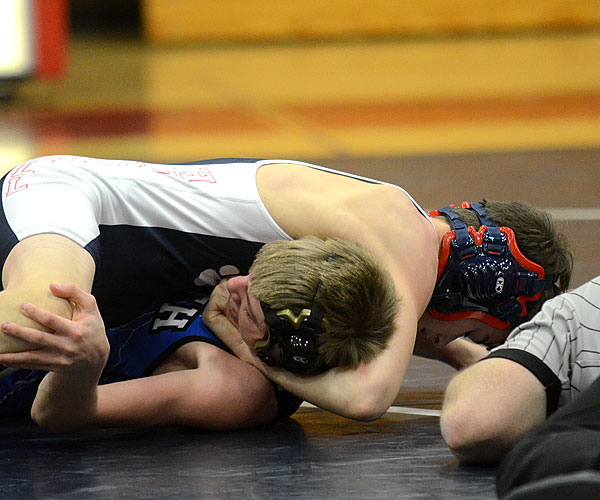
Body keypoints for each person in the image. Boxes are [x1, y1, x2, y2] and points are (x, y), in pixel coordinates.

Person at [0, 155, 572, 422]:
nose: (443, 337)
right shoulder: (409, 243)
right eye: (476, 331)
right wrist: (248, 349)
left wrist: (466, 356)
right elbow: (367, 399)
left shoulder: (396, 231)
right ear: (479, 288)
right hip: (75, 206)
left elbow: (416, 327)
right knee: (39, 325)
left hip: (115, 263)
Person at [0, 283, 301, 432]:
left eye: (247, 309)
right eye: (249, 278)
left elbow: (58, 413)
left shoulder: (234, 387)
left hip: (17, 364)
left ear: (271, 349)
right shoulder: (265, 283)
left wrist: (87, 361)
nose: (234, 284)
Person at [440, 276, 600, 499]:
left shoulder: (576, 312)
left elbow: (472, 420)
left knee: (531, 463)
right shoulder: (578, 311)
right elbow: (472, 420)